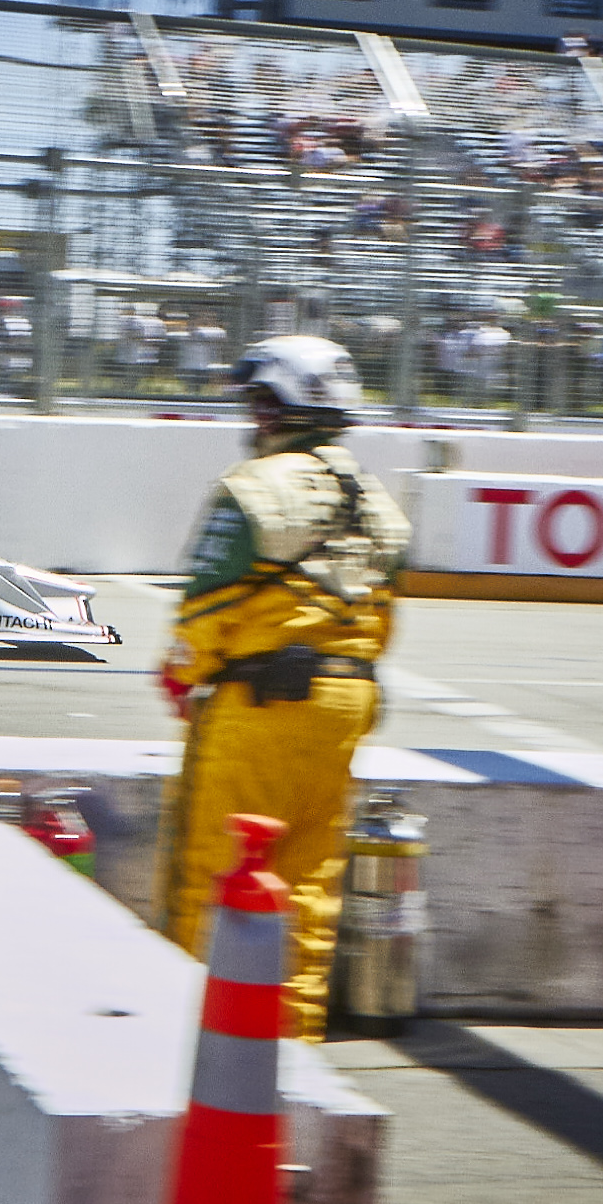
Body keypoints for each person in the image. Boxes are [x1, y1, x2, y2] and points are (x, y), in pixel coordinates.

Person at [156, 335, 411, 1040]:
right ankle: (292, 1061)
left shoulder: (250, 489)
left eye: (256, 400)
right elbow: (383, 620)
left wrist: (179, 674)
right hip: (345, 708)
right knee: (307, 888)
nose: (252, 415)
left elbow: (204, 613)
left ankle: (191, 1046)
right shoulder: (383, 507)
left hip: (259, 708)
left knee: (211, 876)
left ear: (275, 404)